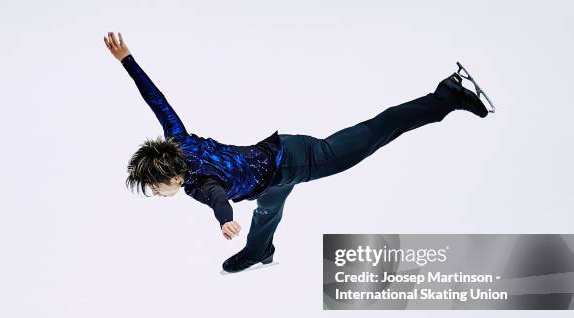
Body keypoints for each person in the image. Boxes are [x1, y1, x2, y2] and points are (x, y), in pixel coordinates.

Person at [103, 32, 493, 273]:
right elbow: (157, 100)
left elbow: (218, 198)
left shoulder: (198, 184)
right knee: (269, 207)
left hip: (296, 160)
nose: (155, 194)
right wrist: (127, 61)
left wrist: (223, 220)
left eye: (155, 188)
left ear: (172, 177)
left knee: (376, 132)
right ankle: (260, 251)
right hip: (269, 172)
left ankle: (448, 95)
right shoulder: (176, 140)